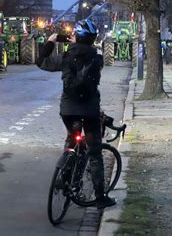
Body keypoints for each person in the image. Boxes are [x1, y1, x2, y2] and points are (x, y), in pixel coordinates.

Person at [36, 19, 116, 210]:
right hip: (89, 110)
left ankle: (65, 175)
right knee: (94, 152)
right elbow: (88, 66)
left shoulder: (66, 56)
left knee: (72, 137)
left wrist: (50, 42)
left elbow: (41, 62)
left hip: (68, 110)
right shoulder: (97, 58)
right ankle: (100, 197)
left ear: (76, 37)